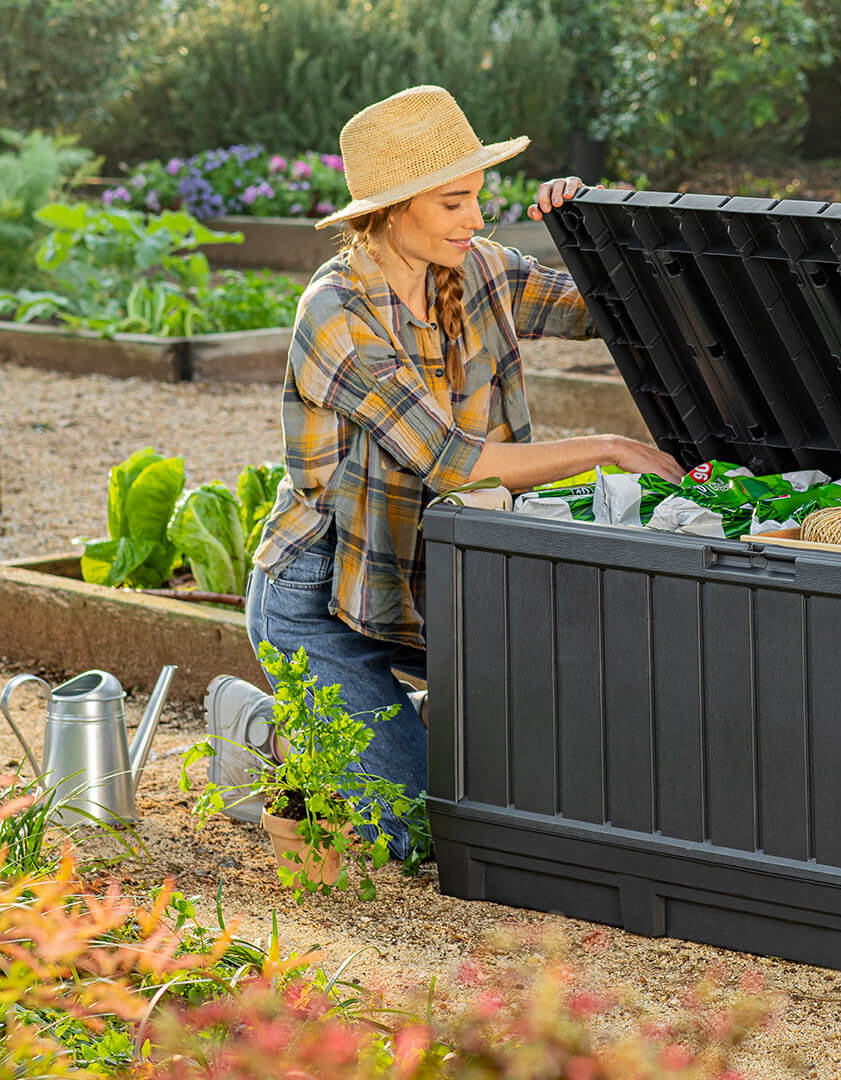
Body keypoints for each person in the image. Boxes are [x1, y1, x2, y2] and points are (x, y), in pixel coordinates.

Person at [204, 86, 681, 858]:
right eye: (455, 203)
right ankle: (269, 732)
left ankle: (387, 719)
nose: (477, 220)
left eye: (479, 200)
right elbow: (453, 462)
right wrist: (610, 447)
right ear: (393, 209)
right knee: (420, 833)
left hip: (435, 578)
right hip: (323, 595)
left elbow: (604, 308)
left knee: (521, 774)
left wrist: (593, 226)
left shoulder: (479, 269)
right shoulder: (337, 313)